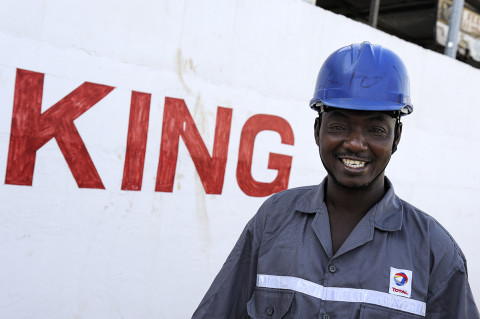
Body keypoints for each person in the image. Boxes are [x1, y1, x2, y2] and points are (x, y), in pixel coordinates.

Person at [192, 42, 480, 318]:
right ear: (318, 130)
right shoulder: (273, 220)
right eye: (339, 126)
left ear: (396, 138)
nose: (355, 143)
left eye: (376, 129)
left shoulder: (435, 251)